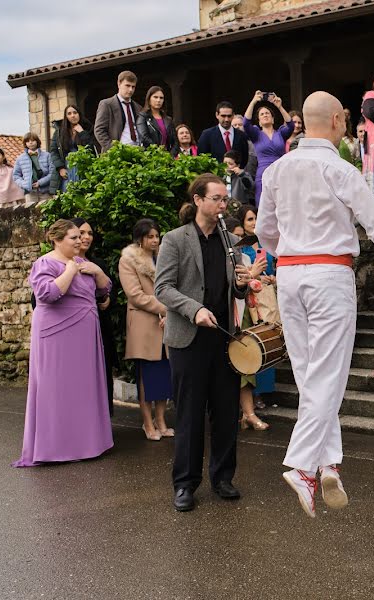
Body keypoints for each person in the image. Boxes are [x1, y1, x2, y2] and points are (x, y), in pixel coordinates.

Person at [256, 91, 374, 518]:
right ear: (338, 120)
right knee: (328, 374)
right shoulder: (340, 168)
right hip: (328, 273)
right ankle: (302, 465)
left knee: (310, 376)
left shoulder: (278, 170)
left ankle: (328, 462)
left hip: (289, 273)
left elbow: (265, 230)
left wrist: (287, 252)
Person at [154, 174, 253, 512]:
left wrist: (243, 284)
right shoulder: (174, 239)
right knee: (190, 415)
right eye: (217, 199)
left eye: (225, 199)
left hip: (224, 337)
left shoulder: (230, 240)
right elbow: (163, 288)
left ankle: (223, 477)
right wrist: (194, 310)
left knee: (226, 412)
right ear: (198, 200)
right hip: (189, 340)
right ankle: (185, 484)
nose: (223, 205)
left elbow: (234, 291)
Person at [14, 220, 113, 467]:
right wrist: (69, 270)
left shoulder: (84, 263)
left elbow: (104, 292)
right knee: (56, 387)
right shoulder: (44, 263)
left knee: (83, 387)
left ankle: (86, 443)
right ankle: (55, 447)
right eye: (73, 238)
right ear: (56, 240)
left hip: (85, 332)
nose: (80, 241)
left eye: (80, 237)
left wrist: (98, 273)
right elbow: (47, 294)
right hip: (55, 334)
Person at [119, 219, 173, 441]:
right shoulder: (128, 260)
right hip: (144, 324)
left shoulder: (164, 257)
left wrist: (170, 313)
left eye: (157, 236)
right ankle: (147, 423)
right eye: (149, 236)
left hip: (166, 323)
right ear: (139, 239)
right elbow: (135, 295)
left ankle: (161, 420)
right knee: (147, 376)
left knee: (165, 374)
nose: (154, 240)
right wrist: (167, 308)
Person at [236, 204, 279, 413]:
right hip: (248, 301)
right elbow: (241, 276)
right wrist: (256, 275)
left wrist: (271, 277)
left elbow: (273, 268)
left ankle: (265, 391)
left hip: (267, 298)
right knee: (254, 343)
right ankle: (253, 395)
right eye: (249, 220)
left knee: (269, 340)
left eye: (256, 219)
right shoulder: (240, 248)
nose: (254, 223)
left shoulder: (266, 244)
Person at [73, 218, 118, 414]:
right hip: (74, 336)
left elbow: (111, 290)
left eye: (90, 233)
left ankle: (102, 429)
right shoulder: (59, 263)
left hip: (100, 332)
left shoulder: (98, 263)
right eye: (81, 233)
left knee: (101, 380)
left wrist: (108, 299)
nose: (86, 237)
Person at [243, 91, 294, 203]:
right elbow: (246, 123)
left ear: (273, 119)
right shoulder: (256, 134)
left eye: (267, 113)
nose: (265, 115)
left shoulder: (280, 133)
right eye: (262, 114)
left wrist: (280, 107)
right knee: (264, 206)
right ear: (259, 122)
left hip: (280, 173)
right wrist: (253, 101)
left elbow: (291, 125)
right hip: (263, 174)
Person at [49, 105, 98, 194]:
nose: (73, 115)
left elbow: (92, 148)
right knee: (67, 193)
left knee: (83, 194)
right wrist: (60, 168)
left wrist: (82, 132)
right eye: (69, 113)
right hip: (66, 166)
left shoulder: (88, 128)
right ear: (66, 117)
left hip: (82, 167)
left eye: (75, 113)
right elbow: (54, 151)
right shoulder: (59, 132)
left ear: (79, 114)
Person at [93, 70, 142, 152]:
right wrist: (113, 149)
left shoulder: (138, 107)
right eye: (127, 85)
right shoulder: (107, 104)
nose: (130, 90)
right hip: (117, 154)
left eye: (133, 87)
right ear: (119, 84)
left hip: (137, 152)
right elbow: (99, 130)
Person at [198, 101, 250, 166]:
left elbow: (244, 159)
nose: (226, 119)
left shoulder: (241, 135)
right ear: (217, 115)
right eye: (223, 116)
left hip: (236, 174)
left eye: (229, 116)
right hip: (215, 175)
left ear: (233, 115)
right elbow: (201, 159)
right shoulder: (207, 135)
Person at [13, 132, 52, 206]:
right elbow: (16, 176)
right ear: (25, 143)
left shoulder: (47, 155)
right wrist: (25, 184)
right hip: (30, 193)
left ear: (37, 141)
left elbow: (52, 173)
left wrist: (40, 183)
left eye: (33, 140)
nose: (30, 143)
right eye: (28, 141)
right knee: (31, 213)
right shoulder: (20, 158)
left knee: (47, 211)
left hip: (45, 191)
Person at [136, 86, 177, 150]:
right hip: (150, 155)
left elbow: (175, 142)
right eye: (155, 97)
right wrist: (158, 151)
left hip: (167, 156)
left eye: (161, 98)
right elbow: (144, 137)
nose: (158, 100)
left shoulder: (168, 120)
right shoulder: (143, 117)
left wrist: (171, 155)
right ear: (149, 99)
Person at [232, 114, 258, 180]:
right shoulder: (228, 144)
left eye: (240, 125)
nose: (237, 127)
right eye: (234, 125)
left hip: (251, 181)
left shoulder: (254, 144)